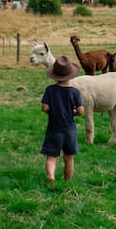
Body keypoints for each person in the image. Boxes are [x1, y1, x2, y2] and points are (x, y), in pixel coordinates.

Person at [40, 55, 84, 184]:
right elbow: (81, 111)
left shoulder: (50, 90)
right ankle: (67, 181)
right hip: (70, 128)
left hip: (54, 127)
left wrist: (51, 112)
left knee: (51, 156)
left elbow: (44, 107)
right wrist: (73, 113)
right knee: (69, 157)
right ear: (71, 75)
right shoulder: (75, 92)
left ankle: (51, 175)